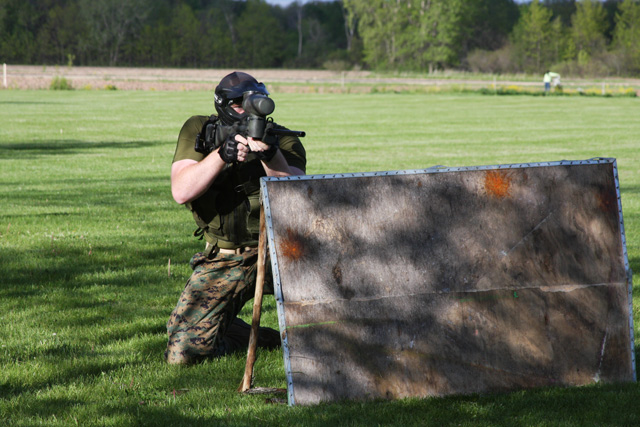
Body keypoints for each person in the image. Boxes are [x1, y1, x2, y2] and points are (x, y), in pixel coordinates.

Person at [165, 71, 306, 364]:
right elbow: (181, 190)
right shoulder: (198, 128)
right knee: (183, 353)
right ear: (225, 105)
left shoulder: (284, 139)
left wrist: (270, 155)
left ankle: (297, 335)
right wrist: (221, 155)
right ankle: (254, 336)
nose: (249, 110)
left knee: (327, 327)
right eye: (241, 104)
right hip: (226, 257)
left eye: (256, 102)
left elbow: (295, 196)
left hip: (280, 252)